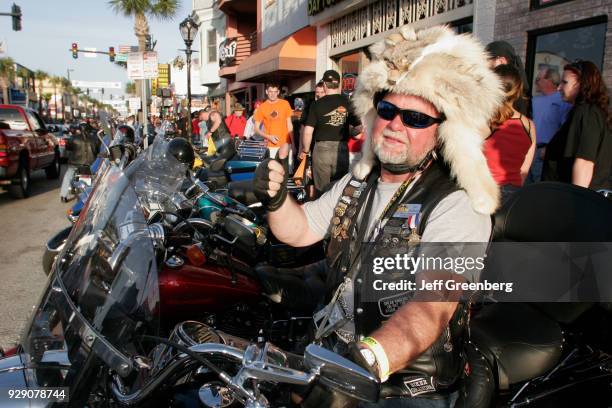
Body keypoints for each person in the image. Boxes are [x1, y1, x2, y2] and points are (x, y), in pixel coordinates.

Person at [254, 26, 504, 406]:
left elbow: (430, 308)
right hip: (335, 353)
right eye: (387, 110)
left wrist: (365, 361)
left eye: (416, 119)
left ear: (443, 132)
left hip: (408, 379)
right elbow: (301, 228)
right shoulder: (356, 184)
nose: (396, 124)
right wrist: (275, 200)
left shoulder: (455, 204)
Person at [543, 60, 612, 190]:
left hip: (578, 199)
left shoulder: (586, 112)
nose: (559, 88)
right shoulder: (595, 112)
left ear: (582, 84)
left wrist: (577, 202)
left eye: (565, 82)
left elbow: (585, 161)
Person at [300, 70, 361, 196]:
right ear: (338, 84)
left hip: (322, 150)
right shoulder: (348, 102)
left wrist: (305, 150)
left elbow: (307, 131)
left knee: (322, 191)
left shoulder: (316, 105)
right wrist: (347, 131)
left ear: (325, 85)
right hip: (341, 149)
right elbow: (359, 128)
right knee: (338, 190)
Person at [483, 64, 536, 203]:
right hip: (514, 196)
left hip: (486, 192)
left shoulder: (485, 121)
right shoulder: (528, 125)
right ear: (518, 92)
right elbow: (524, 170)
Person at [527, 67, 572, 183]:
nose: (536, 82)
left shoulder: (562, 101)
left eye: (538, 79)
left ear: (548, 81)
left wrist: (550, 148)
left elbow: (565, 129)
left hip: (546, 151)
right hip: (531, 150)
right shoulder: (534, 100)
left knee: (542, 186)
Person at [486, 41, 530, 116]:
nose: (485, 65)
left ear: (501, 61)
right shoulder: (516, 88)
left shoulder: (510, 92)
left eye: (487, 59)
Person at [60, 122, 101, 202]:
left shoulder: (73, 138)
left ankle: (63, 195)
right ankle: (94, 194)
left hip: (75, 164)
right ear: (89, 129)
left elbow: (68, 148)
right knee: (96, 178)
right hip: (90, 164)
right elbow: (97, 151)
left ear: (79, 129)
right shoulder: (95, 139)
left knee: (68, 176)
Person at [254, 83, 294, 164]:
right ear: (266, 92)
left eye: (275, 92)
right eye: (270, 92)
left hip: (286, 143)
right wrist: (269, 137)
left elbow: (289, 124)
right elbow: (256, 129)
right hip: (271, 146)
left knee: (286, 171)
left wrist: (293, 144)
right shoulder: (262, 107)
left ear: (278, 92)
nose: (273, 94)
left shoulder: (285, 104)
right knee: (274, 172)